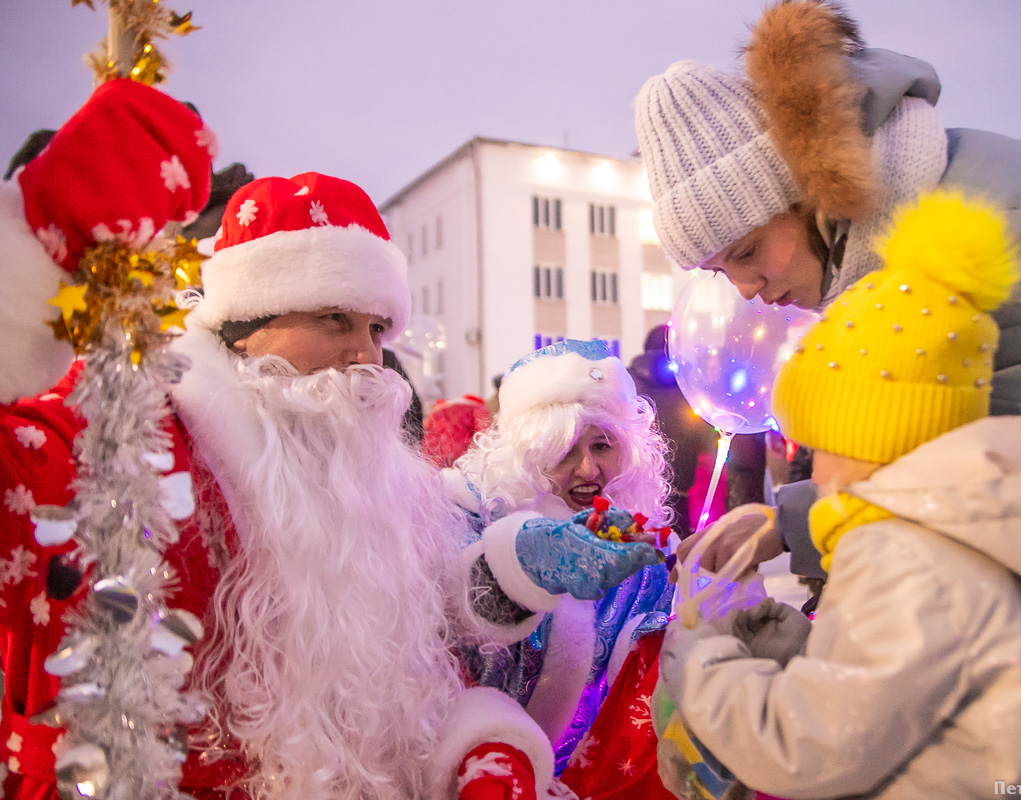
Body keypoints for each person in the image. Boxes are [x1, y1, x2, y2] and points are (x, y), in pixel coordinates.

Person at [0, 80, 655, 800]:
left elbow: (418, 648)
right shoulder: (129, 446)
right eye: (335, 319)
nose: (366, 357)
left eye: (377, 329)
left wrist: (511, 589)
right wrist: (29, 263)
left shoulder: (376, 480)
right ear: (248, 323)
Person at [634, 0, 1021, 779]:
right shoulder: (904, 245)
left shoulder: (986, 233)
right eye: (718, 272)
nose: (745, 289)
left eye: (747, 249)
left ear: (805, 189)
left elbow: (977, 500)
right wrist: (786, 520)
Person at [657, 190, 1021, 798]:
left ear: (873, 443)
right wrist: (798, 649)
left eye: (822, 447)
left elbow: (811, 747)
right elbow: (905, 693)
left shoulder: (901, 559)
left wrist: (703, 670)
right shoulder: (961, 535)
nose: (814, 468)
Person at [452, 339, 675, 779]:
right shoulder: (468, 522)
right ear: (526, 454)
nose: (589, 470)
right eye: (565, 448)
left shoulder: (641, 546)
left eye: (603, 445)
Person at [627, 325, 718, 537]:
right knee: (677, 550)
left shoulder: (627, 379)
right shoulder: (687, 380)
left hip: (637, 483)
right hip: (680, 486)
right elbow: (704, 434)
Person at [423, 394, 492, 468]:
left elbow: (428, 433)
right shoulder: (477, 408)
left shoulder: (438, 409)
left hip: (437, 458)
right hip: (465, 457)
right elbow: (484, 433)